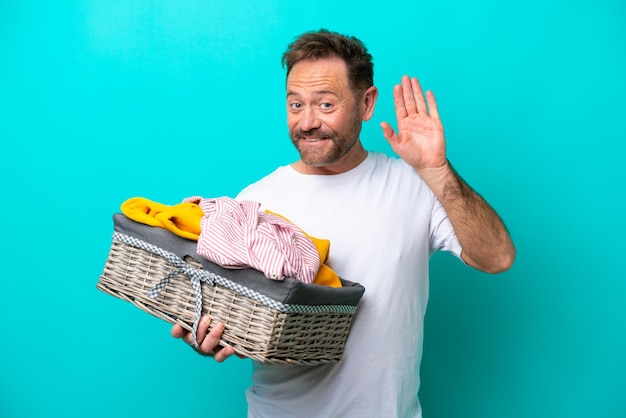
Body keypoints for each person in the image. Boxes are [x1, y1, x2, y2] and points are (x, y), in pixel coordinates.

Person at [171, 29, 516, 417]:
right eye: (295, 104)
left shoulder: (416, 186)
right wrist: (210, 332)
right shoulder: (253, 202)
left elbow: (497, 257)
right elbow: (230, 312)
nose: (307, 122)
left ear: (367, 104)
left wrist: (437, 171)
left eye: (326, 104)